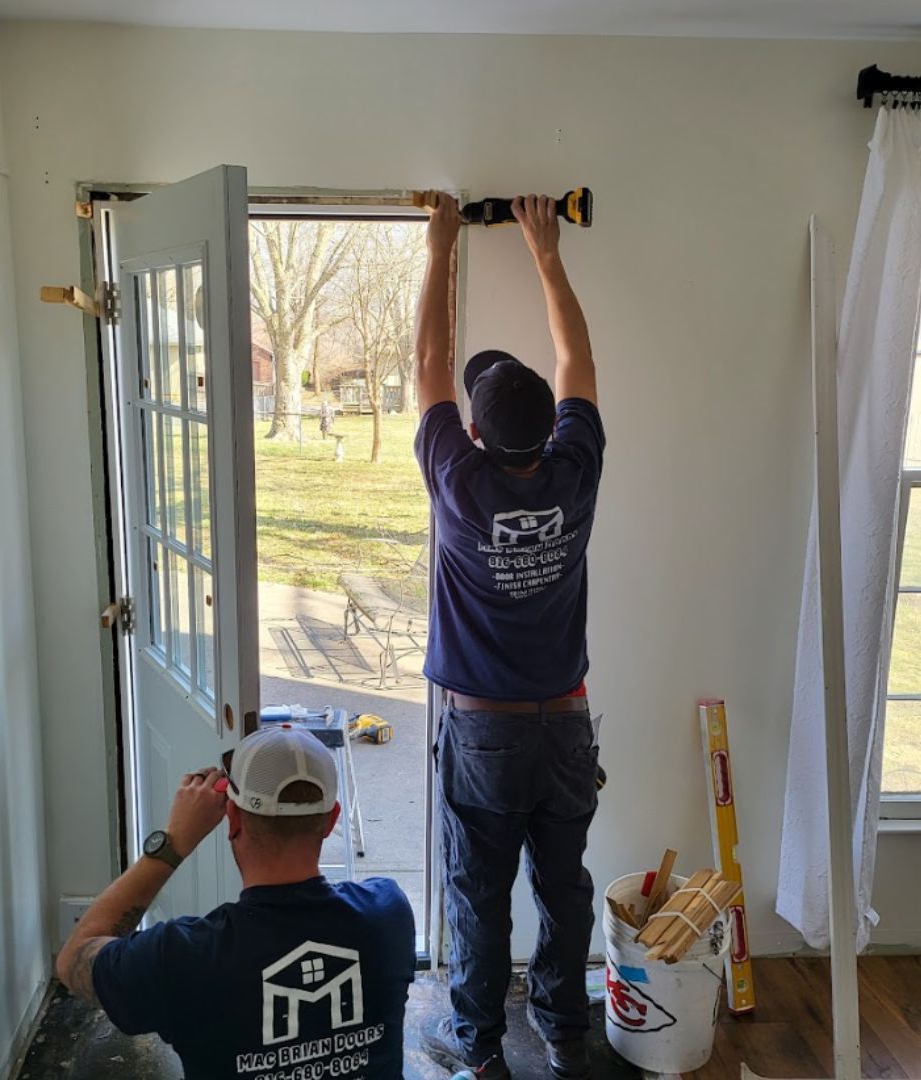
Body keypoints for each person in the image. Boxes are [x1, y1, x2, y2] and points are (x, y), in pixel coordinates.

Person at [412, 193, 605, 1080]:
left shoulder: (458, 482)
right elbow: (577, 363)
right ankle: (567, 1033)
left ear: (479, 433)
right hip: (565, 723)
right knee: (562, 888)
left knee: (479, 894)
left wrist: (441, 243)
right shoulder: (575, 471)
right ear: (549, 432)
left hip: (483, 731)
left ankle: (479, 1050)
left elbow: (427, 363)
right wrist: (547, 252)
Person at [56, 724, 416, 1079]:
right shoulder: (389, 915)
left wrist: (174, 842)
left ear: (232, 819)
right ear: (331, 820)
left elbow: (73, 959)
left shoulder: (180, 959)